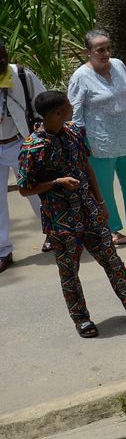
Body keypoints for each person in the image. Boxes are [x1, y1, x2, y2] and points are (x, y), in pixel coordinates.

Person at [18, 90, 126, 338]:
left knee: (112, 261)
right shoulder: (33, 147)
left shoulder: (74, 132)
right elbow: (24, 188)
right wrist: (56, 182)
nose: (72, 108)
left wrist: (101, 202)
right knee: (69, 273)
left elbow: (86, 166)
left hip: (90, 211)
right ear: (57, 113)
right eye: (68, 105)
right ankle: (81, 319)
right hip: (61, 221)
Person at [67, 32, 126, 246]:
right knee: (104, 189)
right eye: (100, 50)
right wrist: (80, 142)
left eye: (108, 48)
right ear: (87, 52)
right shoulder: (80, 76)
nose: (106, 53)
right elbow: (75, 112)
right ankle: (111, 228)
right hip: (99, 141)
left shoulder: (119, 65)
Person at [0, 40, 45, 273]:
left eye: (3, 55)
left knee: (35, 191)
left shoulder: (20, 74)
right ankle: (3, 251)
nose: (1, 60)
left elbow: (43, 102)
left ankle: (52, 233)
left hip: (20, 142)